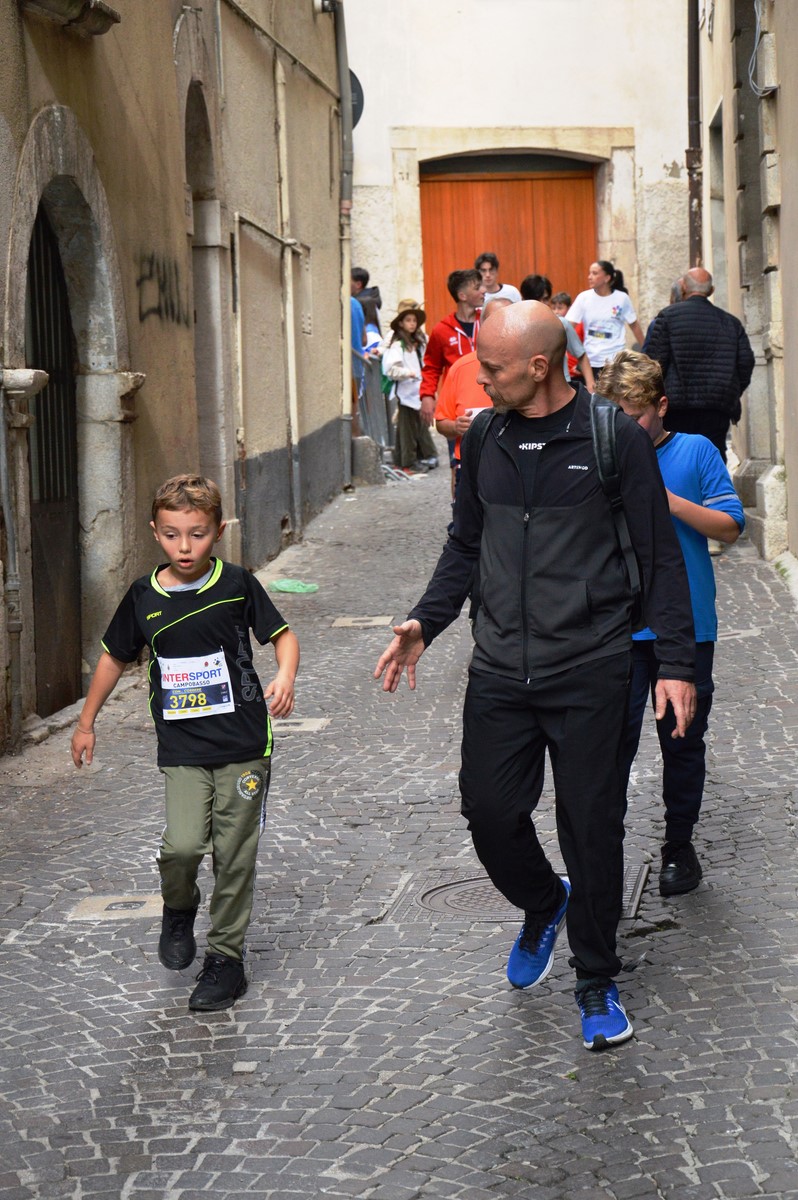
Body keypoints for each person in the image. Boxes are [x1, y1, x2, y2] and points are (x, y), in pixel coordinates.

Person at [375, 302, 696, 1052]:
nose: (478, 380)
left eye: (491, 368)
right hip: (499, 667)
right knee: (488, 812)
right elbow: (464, 543)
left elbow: (658, 556)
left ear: (539, 367)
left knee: (591, 826)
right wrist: (426, 620)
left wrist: (677, 663)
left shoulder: (612, 438)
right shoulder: (485, 437)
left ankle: (596, 979)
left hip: (592, 666)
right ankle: (546, 901)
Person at [71, 475, 300, 1013]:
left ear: (217, 532)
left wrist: (285, 675)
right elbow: (113, 657)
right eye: (173, 535)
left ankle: (226, 960)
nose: (185, 546)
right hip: (183, 747)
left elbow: (282, 635)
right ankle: (179, 907)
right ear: (156, 532)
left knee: (234, 855)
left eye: (197, 534)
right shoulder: (143, 595)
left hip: (245, 743)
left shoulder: (237, 583)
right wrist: (85, 722)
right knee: (182, 847)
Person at [600, 351, 744, 896]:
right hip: (617, 627)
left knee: (682, 743)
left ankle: (679, 848)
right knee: (608, 746)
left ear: (660, 406)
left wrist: (665, 501)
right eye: (615, 416)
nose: (625, 428)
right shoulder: (601, 455)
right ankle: (602, 855)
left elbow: (730, 525)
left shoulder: (695, 450)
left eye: (634, 416)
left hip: (687, 626)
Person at [644, 267, 755, 466]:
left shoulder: (668, 317)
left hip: (676, 406)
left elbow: (654, 364)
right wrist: (731, 391)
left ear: (683, 288)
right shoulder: (731, 323)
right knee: (713, 456)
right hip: (717, 405)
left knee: (677, 457)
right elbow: (745, 363)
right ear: (711, 290)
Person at [420, 268, 486, 428]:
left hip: (487, 398)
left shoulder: (488, 322)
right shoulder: (441, 330)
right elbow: (431, 367)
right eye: (477, 287)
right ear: (462, 296)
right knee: (458, 442)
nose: (484, 290)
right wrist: (427, 395)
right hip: (456, 405)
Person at [383, 299, 439, 473]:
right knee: (407, 429)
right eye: (408, 320)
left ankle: (406, 458)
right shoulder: (397, 345)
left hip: (417, 391)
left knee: (415, 426)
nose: (412, 324)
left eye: (414, 320)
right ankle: (408, 462)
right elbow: (390, 369)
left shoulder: (417, 342)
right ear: (401, 323)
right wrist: (408, 373)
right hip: (406, 392)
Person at [566, 260, 645, 382]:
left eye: (594, 273)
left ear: (607, 278)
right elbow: (568, 326)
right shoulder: (583, 298)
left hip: (615, 360)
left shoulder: (622, 298)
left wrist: (645, 351)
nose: (589, 277)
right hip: (591, 361)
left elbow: (634, 325)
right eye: (589, 273)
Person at [521, 274, 595, 391]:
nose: (541, 303)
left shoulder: (560, 323)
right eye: (536, 299)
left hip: (561, 387)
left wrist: (590, 385)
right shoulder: (517, 326)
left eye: (545, 299)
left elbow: (581, 354)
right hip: (531, 389)